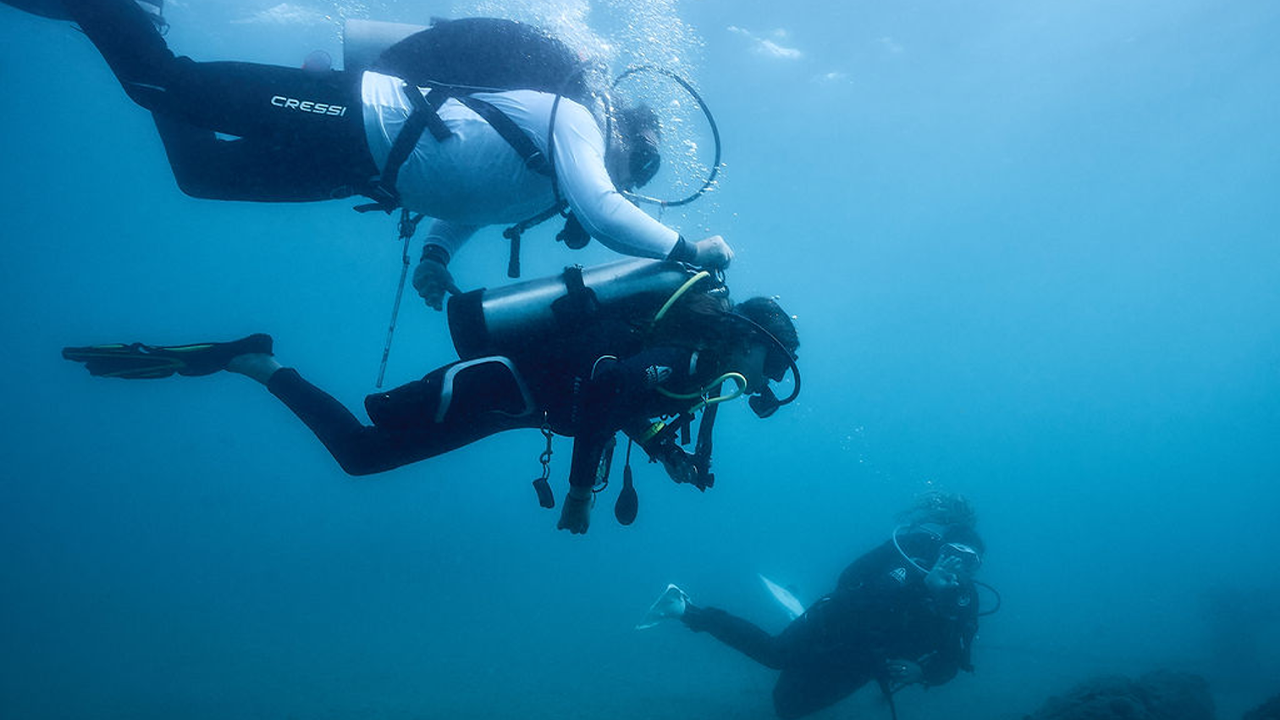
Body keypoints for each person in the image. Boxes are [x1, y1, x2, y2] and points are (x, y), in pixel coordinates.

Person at [3, 0, 734, 309]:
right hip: (358, 115)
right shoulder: (572, 118)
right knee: (164, 85)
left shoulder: (553, 190)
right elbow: (606, 214)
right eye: (634, 166)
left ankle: (131, 23)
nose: (621, 181)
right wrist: (688, 250)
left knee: (203, 174)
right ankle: (109, 12)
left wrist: (438, 257)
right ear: (621, 131)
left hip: (360, 167)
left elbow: (475, 198)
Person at [62, 260, 800, 535]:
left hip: (510, 402)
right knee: (358, 454)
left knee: (358, 456)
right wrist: (580, 494)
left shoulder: (693, 363)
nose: (765, 381)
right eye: (772, 362)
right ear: (749, 338)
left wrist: (661, 448)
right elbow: (609, 386)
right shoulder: (686, 350)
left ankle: (258, 363)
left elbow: (623, 396)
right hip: (492, 391)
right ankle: (258, 361)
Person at [638, 493, 985, 719]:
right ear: (939, 548)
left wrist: (923, 672)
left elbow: (954, 661)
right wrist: (919, 585)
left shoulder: (965, 603)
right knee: (776, 655)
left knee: (788, 706)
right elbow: (849, 581)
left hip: (866, 660)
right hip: (832, 622)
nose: (957, 567)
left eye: (970, 563)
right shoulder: (910, 553)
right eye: (952, 555)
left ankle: (794, 634)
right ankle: (684, 609)